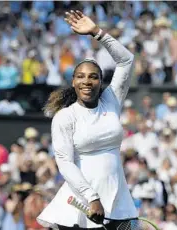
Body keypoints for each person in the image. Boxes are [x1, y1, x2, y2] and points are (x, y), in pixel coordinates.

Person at [37, 10, 137, 229]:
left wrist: (97, 33)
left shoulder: (111, 99)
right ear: (73, 81)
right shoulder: (65, 117)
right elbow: (64, 162)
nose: (87, 81)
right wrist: (92, 197)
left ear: (101, 82)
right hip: (81, 203)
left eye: (93, 77)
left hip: (119, 200)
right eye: (81, 76)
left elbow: (127, 60)